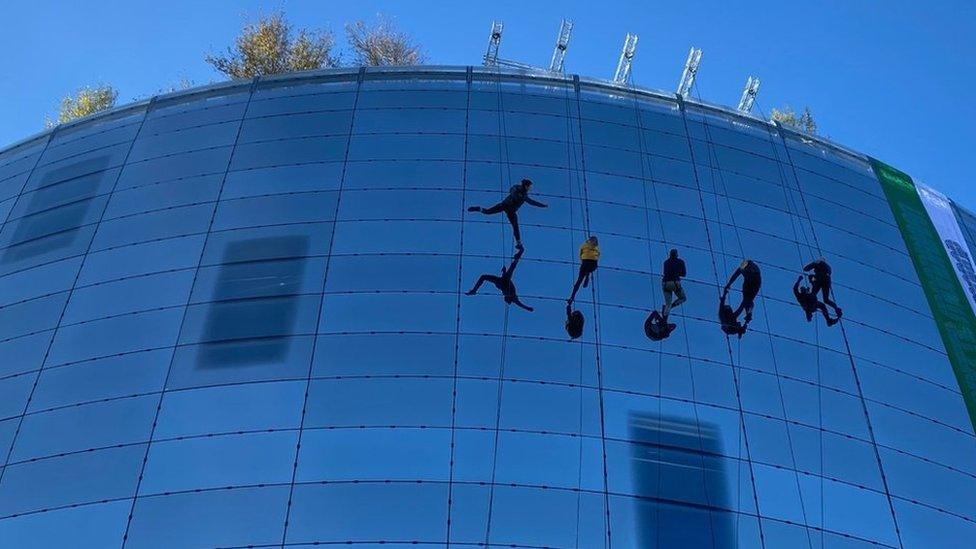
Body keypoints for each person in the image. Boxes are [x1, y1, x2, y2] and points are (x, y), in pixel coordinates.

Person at [467, 178, 548, 249]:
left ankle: (519, 244)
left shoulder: (520, 191)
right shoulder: (521, 193)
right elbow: (530, 201)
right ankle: (478, 208)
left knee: (514, 225)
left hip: (508, 209)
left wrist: (542, 205)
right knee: (490, 212)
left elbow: (514, 192)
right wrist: (542, 205)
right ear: (526, 186)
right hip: (507, 208)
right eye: (530, 186)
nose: (531, 188)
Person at [465, 247, 533, 311]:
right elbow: (520, 304)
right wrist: (528, 308)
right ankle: (521, 252)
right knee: (512, 266)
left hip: (501, 282)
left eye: (505, 299)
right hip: (505, 281)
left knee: (484, 277)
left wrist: (504, 272)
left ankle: (474, 290)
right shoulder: (513, 298)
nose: (505, 298)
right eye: (506, 300)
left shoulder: (508, 295)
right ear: (509, 300)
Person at [723, 259, 761, 324]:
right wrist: (729, 284)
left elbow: (737, 274)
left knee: (747, 301)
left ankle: (743, 314)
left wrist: (729, 284)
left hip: (755, 283)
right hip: (748, 282)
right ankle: (746, 314)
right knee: (746, 301)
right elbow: (736, 274)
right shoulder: (743, 267)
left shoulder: (753, 269)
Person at [568, 236, 600, 305]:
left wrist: (582, 260)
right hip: (590, 263)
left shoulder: (585, 246)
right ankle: (587, 275)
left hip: (587, 263)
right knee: (581, 277)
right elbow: (598, 256)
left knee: (579, 279)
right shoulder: (594, 247)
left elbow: (580, 254)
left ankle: (572, 297)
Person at [662, 248, 687, 316]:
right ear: (677, 255)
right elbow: (684, 274)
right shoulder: (681, 262)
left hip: (665, 283)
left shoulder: (666, 262)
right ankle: (672, 307)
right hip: (675, 283)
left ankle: (665, 315)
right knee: (683, 298)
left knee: (668, 303)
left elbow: (664, 272)